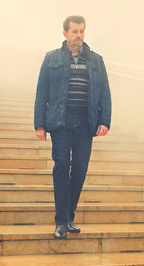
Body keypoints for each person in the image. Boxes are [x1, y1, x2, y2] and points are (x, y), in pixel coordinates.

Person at [34, 15, 111, 240]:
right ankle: (60, 221)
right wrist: (40, 124)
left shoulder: (97, 61)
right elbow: (42, 93)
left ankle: (69, 217)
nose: (79, 35)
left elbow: (105, 93)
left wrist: (104, 121)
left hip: (85, 123)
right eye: (75, 31)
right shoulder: (51, 58)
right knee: (61, 167)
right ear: (65, 33)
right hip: (61, 122)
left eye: (82, 31)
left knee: (79, 169)